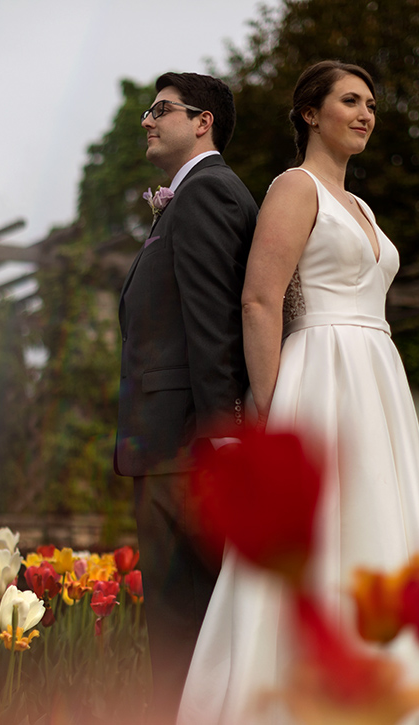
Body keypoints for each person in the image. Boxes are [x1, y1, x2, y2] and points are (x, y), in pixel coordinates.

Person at [177, 60, 419, 724]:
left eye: (372, 104)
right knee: (324, 538)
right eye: (351, 100)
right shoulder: (295, 189)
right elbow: (260, 301)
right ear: (309, 113)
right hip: (320, 375)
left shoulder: (363, 206)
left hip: (377, 381)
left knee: (376, 530)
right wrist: (271, 415)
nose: (366, 114)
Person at [115, 71, 259, 720]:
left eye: (161, 110)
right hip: (174, 443)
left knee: (183, 634)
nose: (147, 120)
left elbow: (212, 321)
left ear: (202, 121)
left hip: (187, 450)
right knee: (183, 629)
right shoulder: (194, 195)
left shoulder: (206, 194)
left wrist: (223, 434)